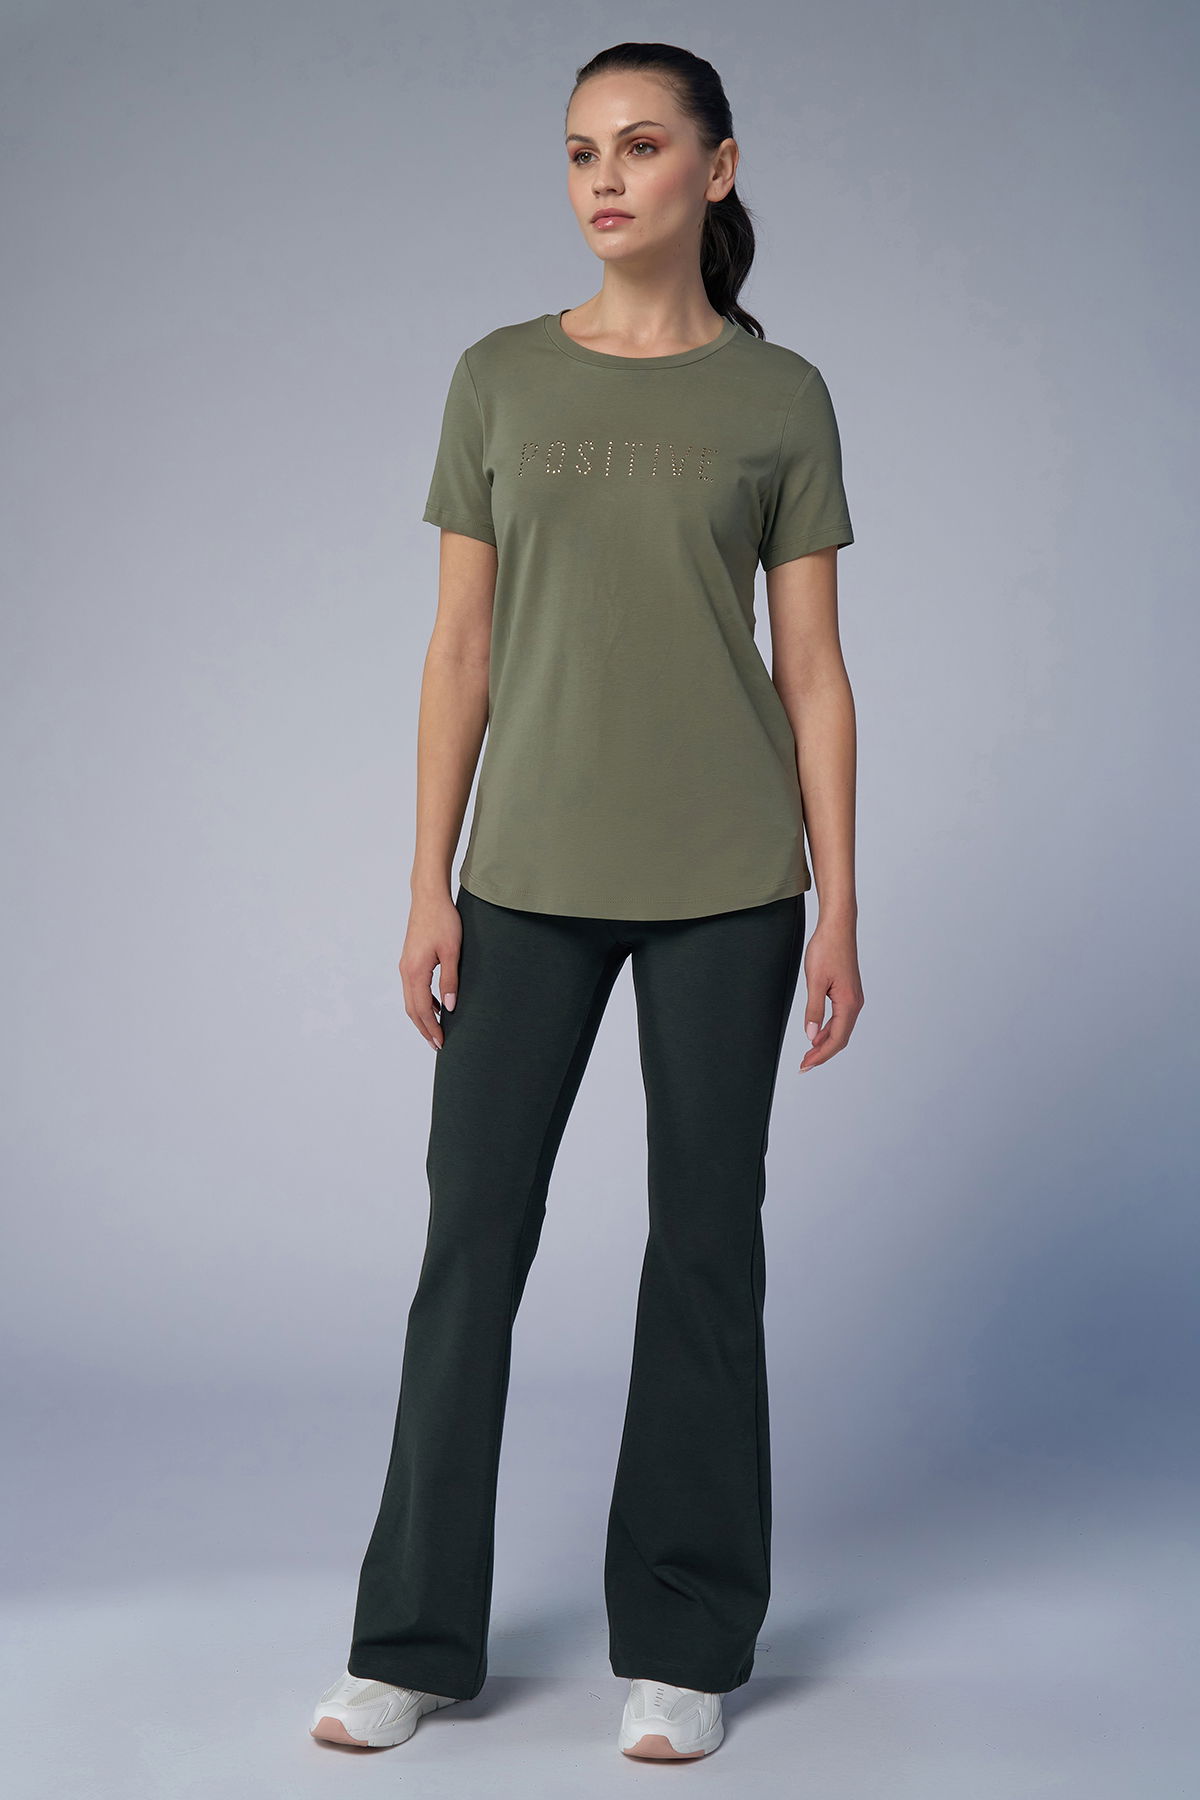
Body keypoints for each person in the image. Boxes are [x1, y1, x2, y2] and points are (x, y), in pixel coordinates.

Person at [309, 38, 864, 1763]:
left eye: (637, 146)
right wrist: (427, 885)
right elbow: (458, 649)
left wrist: (842, 904)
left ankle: (685, 1643)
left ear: (718, 166)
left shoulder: (782, 399)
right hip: (527, 881)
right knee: (470, 1242)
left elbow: (814, 670)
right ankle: (410, 1640)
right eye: (577, 152)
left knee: (705, 1248)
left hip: (729, 887)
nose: (603, 180)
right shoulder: (499, 378)